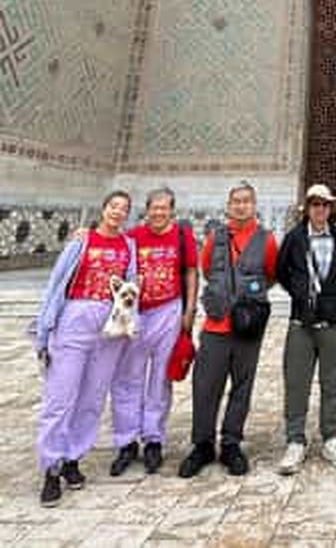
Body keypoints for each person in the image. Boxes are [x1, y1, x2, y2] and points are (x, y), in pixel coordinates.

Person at [34, 191, 137, 506]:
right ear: (103, 209)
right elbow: (56, 282)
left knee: (92, 396)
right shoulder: (81, 241)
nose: (118, 213)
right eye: (113, 206)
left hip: (109, 325)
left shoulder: (128, 246)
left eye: (124, 209)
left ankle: (72, 458)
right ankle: (50, 468)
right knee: (60, 397)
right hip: (75, 318)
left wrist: (130, 322)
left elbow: (131, 286)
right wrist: (44, 327)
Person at [178, 182, 278, 478]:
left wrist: (245, 301)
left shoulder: (268, 240)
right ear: (228, 205)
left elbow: (271, 274)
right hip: (216, 325)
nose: (241, 206)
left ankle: (231, 443)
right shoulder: (215, 238)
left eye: (246, 201)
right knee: (206, 385)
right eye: (236, 201)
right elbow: (208, 270)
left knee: (242, 386)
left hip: (248, 326)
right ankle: (203, 444)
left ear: (254, 204)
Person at [108, 186, 198, 476]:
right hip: (135, 314)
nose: (159, 212)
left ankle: (153, 439)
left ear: (172, 210)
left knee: (160, 378)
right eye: (154, 207)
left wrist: (190, 310)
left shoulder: (182, 237)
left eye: (164, 207)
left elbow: (191, 273)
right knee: (127, 376)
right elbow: (109, 251)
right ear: (146, 209)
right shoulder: (132, 237)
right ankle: (126, 441)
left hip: (168, 311)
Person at [275, 184, 336, 475]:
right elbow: (282, 271)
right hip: (302, 324)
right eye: (315, 204)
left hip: (333, 323)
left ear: (331, 209)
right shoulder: (295, 239)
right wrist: (300, 294)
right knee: (297, 382)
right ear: (307, 208)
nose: (320, 210)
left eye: (324, 205)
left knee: (331, 383)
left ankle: (330, 437)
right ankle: (295, 439)